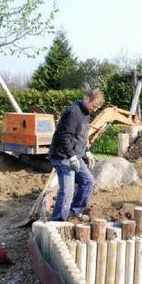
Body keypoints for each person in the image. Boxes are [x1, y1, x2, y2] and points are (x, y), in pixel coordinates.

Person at [48, 89, 104, 222]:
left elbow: (82, 136)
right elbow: (64, 136)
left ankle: (74, 211)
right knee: (67, 191)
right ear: (87, 99)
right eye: (94, 106)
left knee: (88, 181)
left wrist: (87, 151)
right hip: (62, 156)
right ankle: (57, 221)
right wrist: (72, 157)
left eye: (97, 108)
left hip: (75, 156)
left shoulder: (86, 113)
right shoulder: (73, 112)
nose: (95, 110)